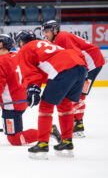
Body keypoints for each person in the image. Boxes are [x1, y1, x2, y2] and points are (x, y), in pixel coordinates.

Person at [0, 34, 61, 145]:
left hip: (12, 105)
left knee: (15, 139)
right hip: (23, 98)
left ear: (0, 45)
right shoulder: (18, 55)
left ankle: (49, 131)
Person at [14, 30, 87, 159]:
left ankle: (42, 144)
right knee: (65, 105)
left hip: (64, 69)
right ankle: (67, 143)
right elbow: (45, 71)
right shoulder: (44, 43)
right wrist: (34, 88)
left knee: (45, 106)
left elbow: (31, 73)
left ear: (21, 42)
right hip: (80, 67)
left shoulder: (25, 50)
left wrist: (32, 88)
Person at [41, 20, 106, 138]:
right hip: (86, 65)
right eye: (44, 31)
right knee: (75, 94)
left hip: (92, 65)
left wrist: (82, 74)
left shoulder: (62, 38)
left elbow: (76, 55)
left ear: (55, 30)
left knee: (80, 95)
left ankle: (79, 125)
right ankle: (77, 122)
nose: (45, 34)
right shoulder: (58, 38)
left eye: (47, 31)